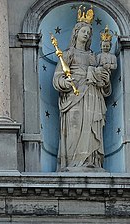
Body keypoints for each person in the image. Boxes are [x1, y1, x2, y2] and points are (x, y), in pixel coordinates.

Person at [52, 16, 111, 171]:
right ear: (76, 33)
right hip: (74, 94)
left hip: (92, 94)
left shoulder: (93, 56)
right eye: (84, 31)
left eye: (89, 33)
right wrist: (66, 82)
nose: (86, 35)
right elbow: (57, 77)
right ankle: (73, 162)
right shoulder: (67, 54)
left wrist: (102, 78)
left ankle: (91, 161)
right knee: (74, 128)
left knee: (92, 127)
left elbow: (103, 82)